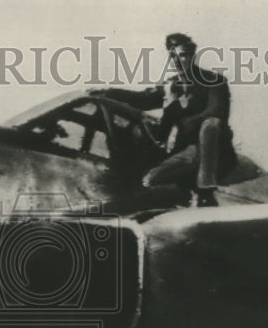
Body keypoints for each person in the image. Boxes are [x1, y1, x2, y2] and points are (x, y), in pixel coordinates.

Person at [94, 33, 235, 206]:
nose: (176, 61)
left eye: (182, 55)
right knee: (151, 180)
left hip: (213, 154)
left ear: (192, 56)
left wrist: (181, 125)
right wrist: (107, 92)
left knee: (211, 124)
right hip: (184, 153)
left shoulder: (214, 82)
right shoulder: (171, 85)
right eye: (172, 56)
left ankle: (206, 192)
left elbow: (217, 111)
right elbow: (142, 99)